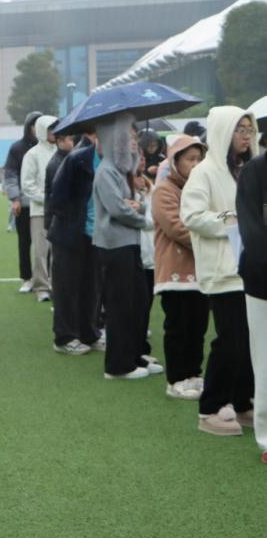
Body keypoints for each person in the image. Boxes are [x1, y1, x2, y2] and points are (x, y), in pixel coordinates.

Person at [181, 107, 257, 436]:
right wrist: (230, 219)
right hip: (222, 271)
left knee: (251, 341)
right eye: (239, 129)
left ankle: (242, 403)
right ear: (223, 131)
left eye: (249, 129)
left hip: (250, 267)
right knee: (231, 341)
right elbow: (192, 216)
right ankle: (210, 408)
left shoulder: (249, 169)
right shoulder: (205, 172)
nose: (246, 135)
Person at [91, 113, 157, 380]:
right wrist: (143, 219)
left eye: (134, 136)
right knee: (120, 306)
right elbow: (118, 209)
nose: (133, 141)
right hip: (114, 245)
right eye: (127, 136)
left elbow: (131, 204)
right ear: (112, 139)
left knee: (136, 302)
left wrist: (137, 207)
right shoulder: (106, 170)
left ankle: (133, 355)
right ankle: (117, 366)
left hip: (128, 242)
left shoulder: (121, 170)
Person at [152, 135, 209, 401]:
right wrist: (211, 235)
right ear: (176, 161)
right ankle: (175, 379)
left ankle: (193, 374)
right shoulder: (164, 190)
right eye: (190, 159)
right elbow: (176, 227)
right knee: (178, 327)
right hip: (174, 272)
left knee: (198, 326)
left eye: (199, 159)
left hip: (201, 270)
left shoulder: (199, 189)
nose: (195, 164)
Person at [47, 130, 102, 355]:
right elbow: (56, 198)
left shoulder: (117, 162)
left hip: (97, 235)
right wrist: (76, 217)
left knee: (92, 287)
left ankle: (89, 333)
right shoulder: (77, 159)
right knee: (67, 287)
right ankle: (65, 337)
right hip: (70, 233)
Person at [235, 116, 267, 460]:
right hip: (262, 281)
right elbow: (252, 231)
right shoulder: (255, 172)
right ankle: (266, 438)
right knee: (265, 359)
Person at [3, 111, 43, 290]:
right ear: (29, 127)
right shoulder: (17, 148)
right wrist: (15, 198)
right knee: (24, 242)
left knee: (45, 245)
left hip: (44, 204)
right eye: (35, 125)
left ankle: (45, 278)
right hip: (25, 203)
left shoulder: (50, 146)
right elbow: (10, 175)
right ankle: (27, 278)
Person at [20, 115, 58, 302]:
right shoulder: (32, 154)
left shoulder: (62, 151)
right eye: (51, 129)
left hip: (60, 211)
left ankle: (57, 286)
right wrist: (48, 200)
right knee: (41, 252)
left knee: (59, 252)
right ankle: (42, 287)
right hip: (40, 211)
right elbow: (27, 185)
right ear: (42, 130)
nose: (54, 133)